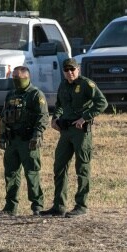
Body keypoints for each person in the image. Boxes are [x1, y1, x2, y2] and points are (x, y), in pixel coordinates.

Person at [41, 57, 107, 218]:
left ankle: (81, 205)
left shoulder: (86, 84)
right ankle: (58, 205)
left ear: (78, 69)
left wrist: (85, 117)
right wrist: (55, 118)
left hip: (81, 131)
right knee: (59, 166)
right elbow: (59, 105)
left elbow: (102, 102)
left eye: (72, 69)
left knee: (82, 168)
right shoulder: (63, 85)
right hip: (66, 131)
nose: (70, 73)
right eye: (67, 70)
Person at [0, 65, 48, 216]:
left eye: (19, 78)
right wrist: (2, 136)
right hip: (12, 141)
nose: (16, 81)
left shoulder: (35, 95)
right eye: (14, 78)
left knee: (32, 173)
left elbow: (43, 117)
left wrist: (37, 135)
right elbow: (4, 117)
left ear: (27, 77)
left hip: (28, 140)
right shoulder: (10, 95)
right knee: (10, 174)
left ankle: (37, 205)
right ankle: (10, 207)